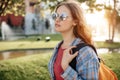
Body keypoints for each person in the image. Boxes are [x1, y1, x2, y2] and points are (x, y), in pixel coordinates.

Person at [48, 0, 99, 80]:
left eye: (62, 16)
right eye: (55, 15)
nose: (57, 19)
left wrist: (66, 67)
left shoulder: (86, 52)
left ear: (75, 21)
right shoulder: (58, 47)